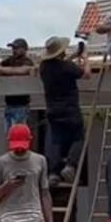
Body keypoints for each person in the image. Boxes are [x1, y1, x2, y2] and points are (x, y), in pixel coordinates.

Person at [39, 36, 90, 184]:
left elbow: (63, 63)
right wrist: (85, 58)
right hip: (70, 109)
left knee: (55, 140)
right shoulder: (66, 67)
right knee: (79, 137)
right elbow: (86, 74)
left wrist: (74, 55)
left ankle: (53, 173)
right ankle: (70, 165)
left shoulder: (44, 67)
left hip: (52, 110)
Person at [0, 39, 34, 131]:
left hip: (21, 105)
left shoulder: (27, 61)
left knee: (18, 135)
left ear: (24, 49)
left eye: (16, 48)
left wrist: (2, 70)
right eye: (13, 48)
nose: (14, 50)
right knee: (9, 135)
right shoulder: (10, 60)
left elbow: (23, 70)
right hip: (9, 104)